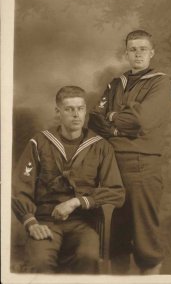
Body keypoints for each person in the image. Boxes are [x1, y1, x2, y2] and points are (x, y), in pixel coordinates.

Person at [88, 30, 171, 275]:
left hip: (142, 165)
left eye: (143, 49)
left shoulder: (161, 82)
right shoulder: (116, 83)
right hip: (114, 165)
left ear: (152, 52)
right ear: (126, 53)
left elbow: (141, 120)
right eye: (133, 49)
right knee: (117, 238)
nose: (138, 53)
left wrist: (114, 118)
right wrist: (118, 123)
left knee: (144, 239)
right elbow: (95, 118)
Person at [12, 85, 125, 274]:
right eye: (69, 109)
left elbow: (116, 192)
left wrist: (77, 201)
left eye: (80, 108)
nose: (76, 115)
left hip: (82, 223)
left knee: (88, 258)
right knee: (39, 263)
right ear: (58, 112)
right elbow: (18, 188)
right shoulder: (39, 143)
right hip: (44, 221)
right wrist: (30, 222)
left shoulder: (101, 146)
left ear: (85, 110)